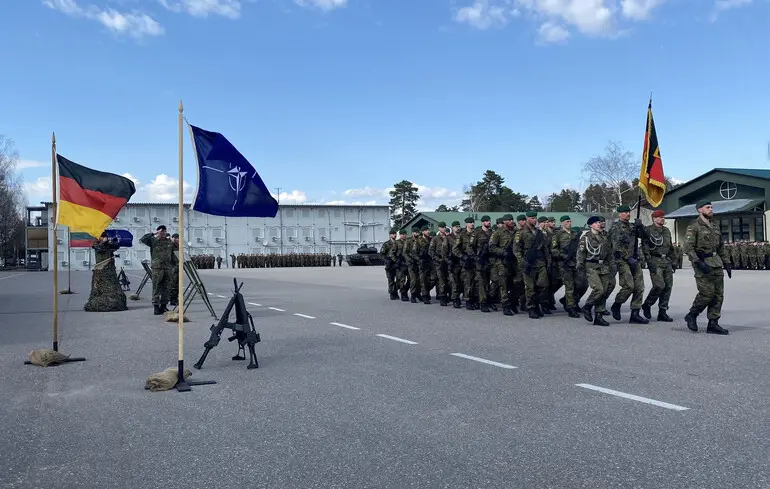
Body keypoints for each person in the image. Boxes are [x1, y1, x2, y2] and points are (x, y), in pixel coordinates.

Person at [683, 201, 730, 335]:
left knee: (718, 295)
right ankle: (692, 314)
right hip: (702, 262)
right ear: (700, 210)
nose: (711, 209)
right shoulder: (694, 227)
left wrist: (727, 262)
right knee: (707, 293)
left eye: (711, 207)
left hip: (716, 262)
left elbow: (721, 246)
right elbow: (688, 248)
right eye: (708, 207)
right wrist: (699, 263)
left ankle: (713, 323)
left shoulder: (715, 225)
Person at [577, 216, 614, 326]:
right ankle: (587, 306)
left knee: (605, 291)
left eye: (599, 222)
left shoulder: (604, 237)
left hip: (604, 266)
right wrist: (580, 269)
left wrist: (612, 265)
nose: (599, 224)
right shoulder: (586, 238)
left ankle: (599, 316)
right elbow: (580, 254)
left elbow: (609, 252)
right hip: (591, 266)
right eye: (596, 222)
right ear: (590, 225)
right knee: (599, 289)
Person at [641, 210, 674, 322]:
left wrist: (673, 260)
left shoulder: (666, 230)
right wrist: (649, 261)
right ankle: (647, 304)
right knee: (659, 285)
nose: (662, 219)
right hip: (655, 260)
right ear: (654, 218)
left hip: (667, 261)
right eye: (659, 217)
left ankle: (662, 311)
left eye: (663, 217)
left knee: (668, 287)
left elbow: (670, 246)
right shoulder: (648, 230)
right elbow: (645, 247)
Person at [84, 231, 128, 312]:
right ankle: (102, 303)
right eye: (103, 237)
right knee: (101, 289)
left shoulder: (108, 245)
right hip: (101, 271)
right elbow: (100, 249)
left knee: (113, 289)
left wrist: (113, 241)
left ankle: (115, 303)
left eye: (105, 237)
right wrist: (103, 242)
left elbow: (116, 247)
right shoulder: (97, 244)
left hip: (110, 271)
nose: (104, 238)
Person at [140, 225, 175, 315]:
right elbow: (143, 239)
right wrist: (154, 233)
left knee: (166, 287)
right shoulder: (153, 241)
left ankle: (163, 306)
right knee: (156, 287)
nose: (163, 233)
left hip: (167, 268)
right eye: (161, 231)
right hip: (157, 268)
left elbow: (172, 254)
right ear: (158, 232)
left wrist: (175, 265)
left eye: (164, 231)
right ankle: (156, 307)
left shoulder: (169, 242)